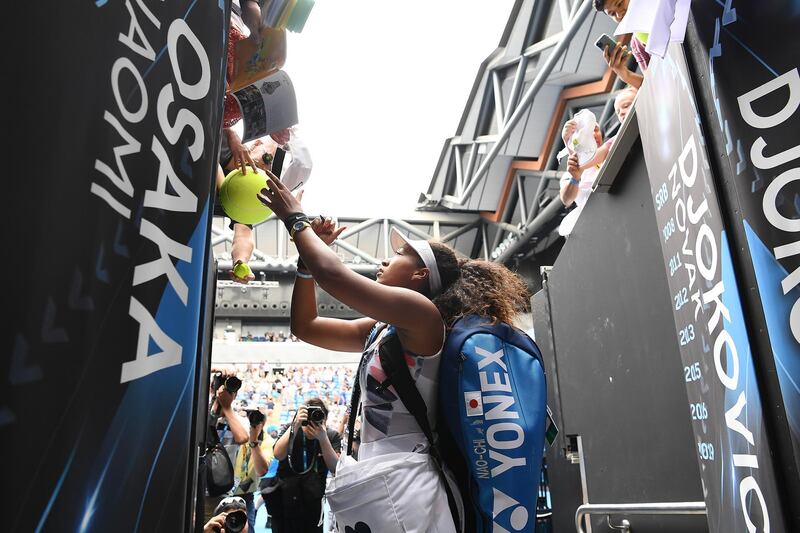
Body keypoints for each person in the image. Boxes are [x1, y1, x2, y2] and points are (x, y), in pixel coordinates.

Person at [256, 179, 529, 532]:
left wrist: (296, 220)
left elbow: (333, 274)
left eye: (400, 255)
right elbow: (306, 326)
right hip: (382, 477)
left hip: (410, 488)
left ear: (421, 274)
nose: (385, 258)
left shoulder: (423, 314)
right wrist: (305, 266)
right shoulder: (384, 327)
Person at [264, 398, 341, 532]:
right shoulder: (290, 429)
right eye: (309, 416)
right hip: (285, 500)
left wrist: (323, 439)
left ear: (325, 419)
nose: (313, 421)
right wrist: (295, 426)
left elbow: (335, 467)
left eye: (318, 416)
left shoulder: (330, 435)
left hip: (313, 502)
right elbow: (278, 454)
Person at [232, 409, 273, 532]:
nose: (251, 424)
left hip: (245, 495)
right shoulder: (238, 432)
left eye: (255, 421)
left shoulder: (267, 441)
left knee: (247, 530)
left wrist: (254, 442)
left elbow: (262, 470)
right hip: (223, 490)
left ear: (262, 424)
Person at [593, 0, 648, 89]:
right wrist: (626, 75)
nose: (619, 15)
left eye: (619, 4)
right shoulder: (637, 45)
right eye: (613, 14)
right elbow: (654, 85)